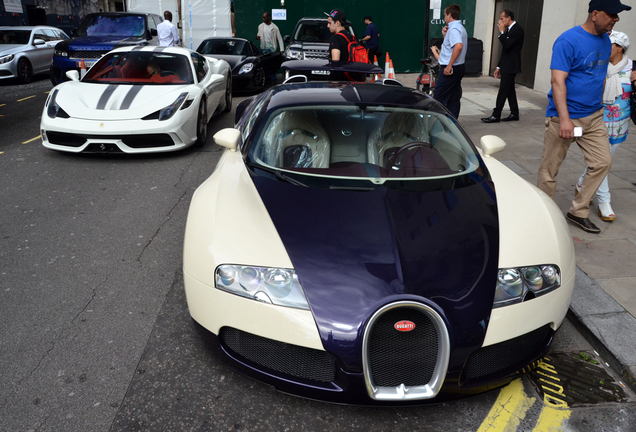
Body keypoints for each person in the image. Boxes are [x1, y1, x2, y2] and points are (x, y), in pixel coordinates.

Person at [537, 0, 631, 234]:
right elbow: (558, 81)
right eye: (612, 14)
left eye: (617, 15)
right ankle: (543, 215)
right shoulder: (568, 40)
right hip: (565, 118)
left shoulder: (604, 40)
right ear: (595, 13)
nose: (616, 19)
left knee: (602, 162)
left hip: (594, 117)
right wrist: (566, 120)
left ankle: (577, 211)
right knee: (550, 170)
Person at [575, 31, 636, 222]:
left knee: (601, 162)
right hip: (596, 122)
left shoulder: (633, 67)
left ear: (619, 48)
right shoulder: (598, 64)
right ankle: (604, 201)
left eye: (609, 44)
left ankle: (581, 184)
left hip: (620, 124)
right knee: (602, 162)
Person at [481, 9, 525, 123]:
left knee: (503, 90)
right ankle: (514, 113)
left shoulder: (517, 30)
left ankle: (496, 115)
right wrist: (498, 67)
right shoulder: (508, 30)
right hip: (506, 64)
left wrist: (501, 32)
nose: (500, 21)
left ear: (508, 18)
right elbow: (505, 51)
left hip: (511, 66)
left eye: (501, 18)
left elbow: (507, 45)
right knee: (510, 90)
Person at [432, 4, 468, 119]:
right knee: (453, 98)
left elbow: (458, 46)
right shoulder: (460, 28)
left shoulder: (454, 29)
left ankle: (434, 124)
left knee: (438, 98)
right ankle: (452, 124)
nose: (444, 18)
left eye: (445, 15)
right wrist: (445, 36)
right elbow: (451, 47)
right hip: (458, 67)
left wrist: (449, 66)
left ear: (450, 15)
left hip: (450, 69)